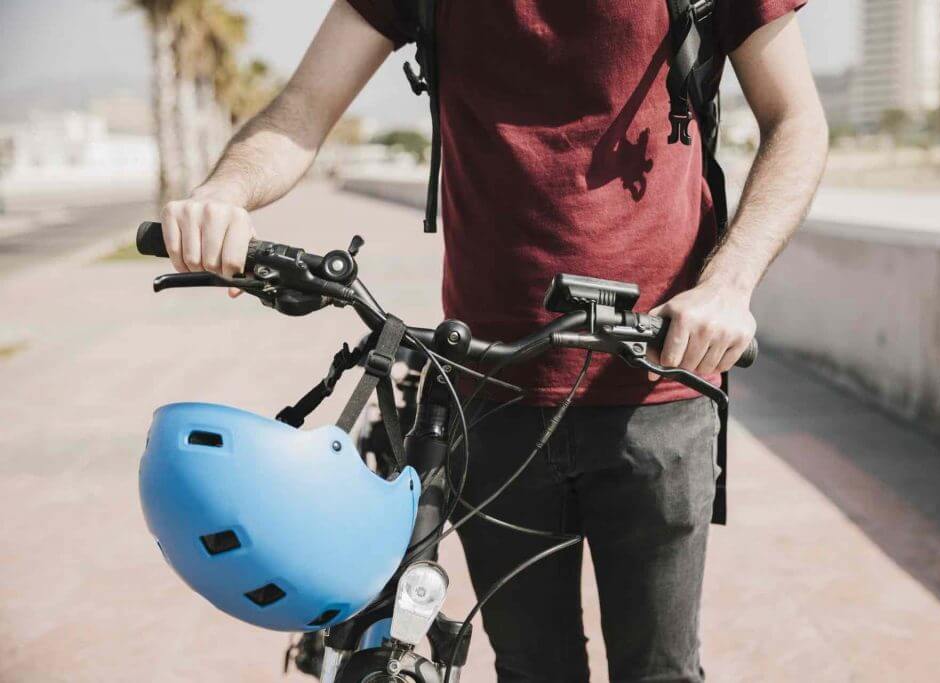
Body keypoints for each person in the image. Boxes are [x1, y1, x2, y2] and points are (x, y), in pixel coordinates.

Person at [158, 1, 828, 680]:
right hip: (489, 392)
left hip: (658, 383)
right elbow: (303, 106)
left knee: (660, 670)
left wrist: (729, 284)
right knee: (531, 668)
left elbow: (796, 119)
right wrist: (224, 193)